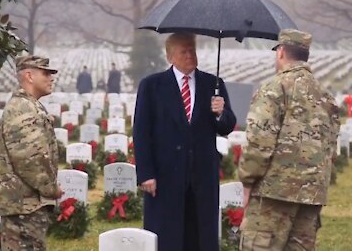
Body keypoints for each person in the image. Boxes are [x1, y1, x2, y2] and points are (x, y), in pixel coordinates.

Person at [238, 29, 340, 251]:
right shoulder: (325, 95)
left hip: (272, 194)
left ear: (281, 52)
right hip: (311, 195)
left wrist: (247, 182)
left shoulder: (274, 89)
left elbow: (260, 142)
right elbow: (331, 146)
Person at [133, 32, 237, 251]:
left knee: (200, 235)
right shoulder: (152, 86)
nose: (190, 55)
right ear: (170, 56)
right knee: (167, 234)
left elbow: (227, 126)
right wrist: (146, 173)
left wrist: (220, 113)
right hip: (165, 175)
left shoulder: (213, 84)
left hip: (202, 176)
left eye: (193, 49)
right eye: (184, 51)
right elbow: (142, 132)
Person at [0, 55, 63, 250]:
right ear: (29, 76)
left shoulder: (27, 104)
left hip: (24, 202)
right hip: (24, 204)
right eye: (46, 73)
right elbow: (29, 158)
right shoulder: (23, 108)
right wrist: (50, 188)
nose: (51, 78)